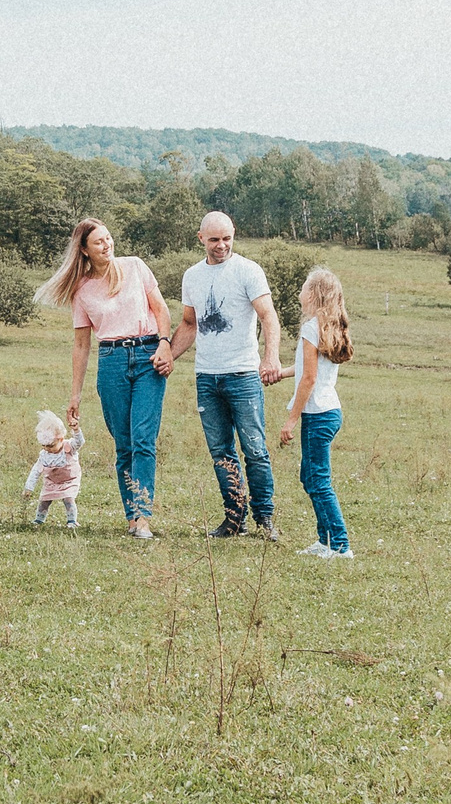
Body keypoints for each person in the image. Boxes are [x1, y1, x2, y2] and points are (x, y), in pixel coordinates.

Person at [42, 217, 173, 538]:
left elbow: (161, 310)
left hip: (147, 357)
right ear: (84, 251)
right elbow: (81, 345)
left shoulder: (135, 266)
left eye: (109, 238)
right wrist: (75, 395)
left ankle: (143, 517)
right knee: (124, 446)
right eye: (99, 242)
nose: (107, 245)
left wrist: (165, 344)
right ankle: (131, 517)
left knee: (144, 440)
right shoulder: (82, 290)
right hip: (111, 362)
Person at [163, 212, 284, 539]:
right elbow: (190, 324)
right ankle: (234, 519)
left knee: (255, 449)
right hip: (207, 377)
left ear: (234, 235)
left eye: (227, 238)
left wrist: (270, 357)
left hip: (243, 374)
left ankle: (264, 520)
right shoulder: (192, 276)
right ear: (200, 237)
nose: (221, 245)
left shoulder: (248, 270)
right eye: (214, 239)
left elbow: (269, 317)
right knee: (221, 452)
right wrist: (168, 356)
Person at [276, 265, 353, 557]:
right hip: (329, 411)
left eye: (304, 287)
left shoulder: (311, 328)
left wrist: (291, 420)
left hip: (317, 415)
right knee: (309, 477)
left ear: (313, 294)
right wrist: (280, 373)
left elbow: (309, 379)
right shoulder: (326, 327)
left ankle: (340, 544)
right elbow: (307, 369)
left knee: (318, 480)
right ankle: (325, 541)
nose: (299, 293)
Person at [22, 409, 83, 526]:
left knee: (68, 499)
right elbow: (36, 471)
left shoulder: (69, 447)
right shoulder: (44, 455)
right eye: (44, 446)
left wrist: (76, 430)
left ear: (60, 439)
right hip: (51, 481)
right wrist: (28, 488)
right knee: (44, 500)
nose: (47, 448)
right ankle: (39, 520)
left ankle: (72, 521)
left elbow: (79, 442)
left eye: (50, 446)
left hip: (69, 480)